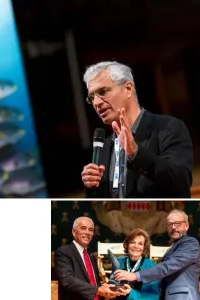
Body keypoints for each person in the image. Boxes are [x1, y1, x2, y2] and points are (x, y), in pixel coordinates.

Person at [81, 61, 192, 198]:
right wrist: (91, 187)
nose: (96, 103)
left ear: (128, 89)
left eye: (103, 91)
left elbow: (181, 183)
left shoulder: (168, 128)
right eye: (92, 97)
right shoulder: (105, 146)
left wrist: (136, 153)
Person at [115, 210, 200, 300]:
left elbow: (169, 266)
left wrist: (135, 276)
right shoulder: (119, 262)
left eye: (177, 223)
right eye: (170, 224)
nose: (173, 227)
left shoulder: (190, 243)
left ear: (186, 225)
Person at [55, 216, 123, 300]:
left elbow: (95, 285)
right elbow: (68, 280)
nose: (87, 232)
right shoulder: (63, 252)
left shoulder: (91, 257)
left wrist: (106, 295)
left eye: (90, 230)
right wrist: (98, 290)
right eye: (83, 228)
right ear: (74, 232)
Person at [108, 229, 160, 300]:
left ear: (144, 248)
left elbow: (154, 296)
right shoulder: (119, 261)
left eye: (140, 244)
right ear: (127, 244)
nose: (136, 246)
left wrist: (131, 293)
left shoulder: (151, 266)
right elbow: (112, 283)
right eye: (132, 242)